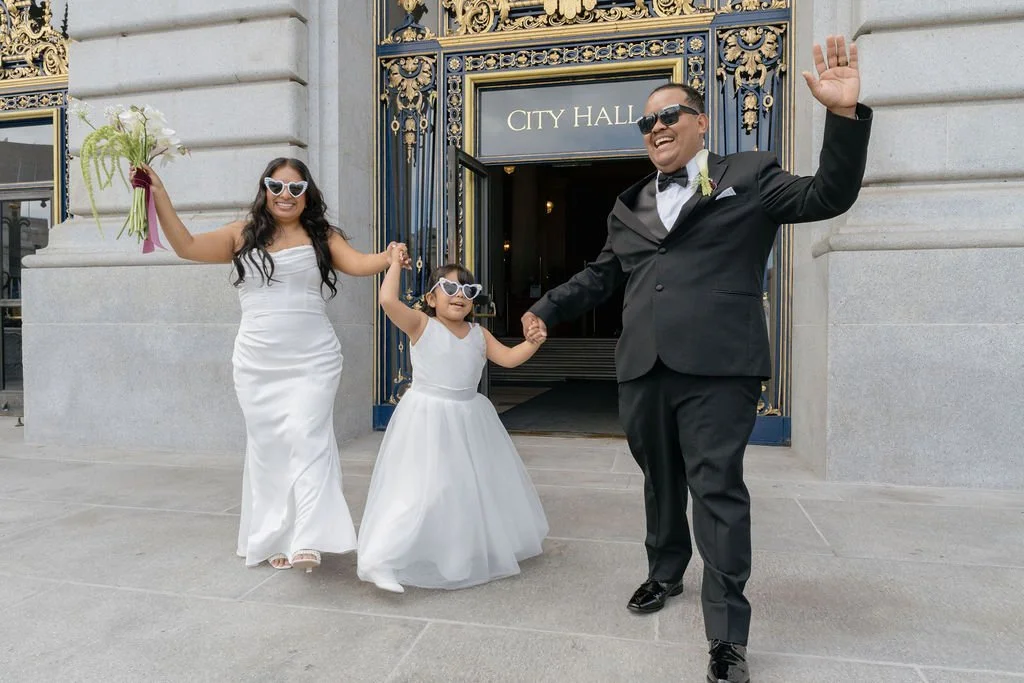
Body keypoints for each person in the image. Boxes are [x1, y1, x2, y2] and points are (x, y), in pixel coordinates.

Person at [520, 36, 871, 682]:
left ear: (701, 121)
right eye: (646, 121)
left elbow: (827, 195)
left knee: (715, 491)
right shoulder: (628, 206)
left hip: (719, 367)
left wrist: (842, 117)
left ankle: (727, 638)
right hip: (643, 367)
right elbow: (601, 276)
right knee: (659, 481)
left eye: (668, 116)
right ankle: (662, 572)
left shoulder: (750, 175)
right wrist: (547, 308)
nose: (655, 127)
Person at [139, 157, 410, 573]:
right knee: (268, 449)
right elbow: (187, 247)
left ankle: (309, 536)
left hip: (313, 357)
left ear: (307, 195)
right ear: (265, 189)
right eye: (277, 186)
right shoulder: (240, 234)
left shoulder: (322, 235)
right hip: (257, 360)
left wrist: (390, 255)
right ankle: (273, 536)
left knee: (308, 437)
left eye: (296, 189)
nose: (286, 196)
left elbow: (360, 264)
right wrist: (158, 194)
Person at [357, 258, 550, 593]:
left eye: (467, 289)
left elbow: (508, 358)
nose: (458, 294)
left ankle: (457, 557)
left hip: (469, 418)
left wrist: (531, 343)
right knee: (419, 491)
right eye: (448, 287)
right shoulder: (421, 325)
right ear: (432, 298)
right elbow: (388, 301)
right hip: (427, 419)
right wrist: (394, 264)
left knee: (462, 489)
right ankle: (380, 559)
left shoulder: (479, 334)